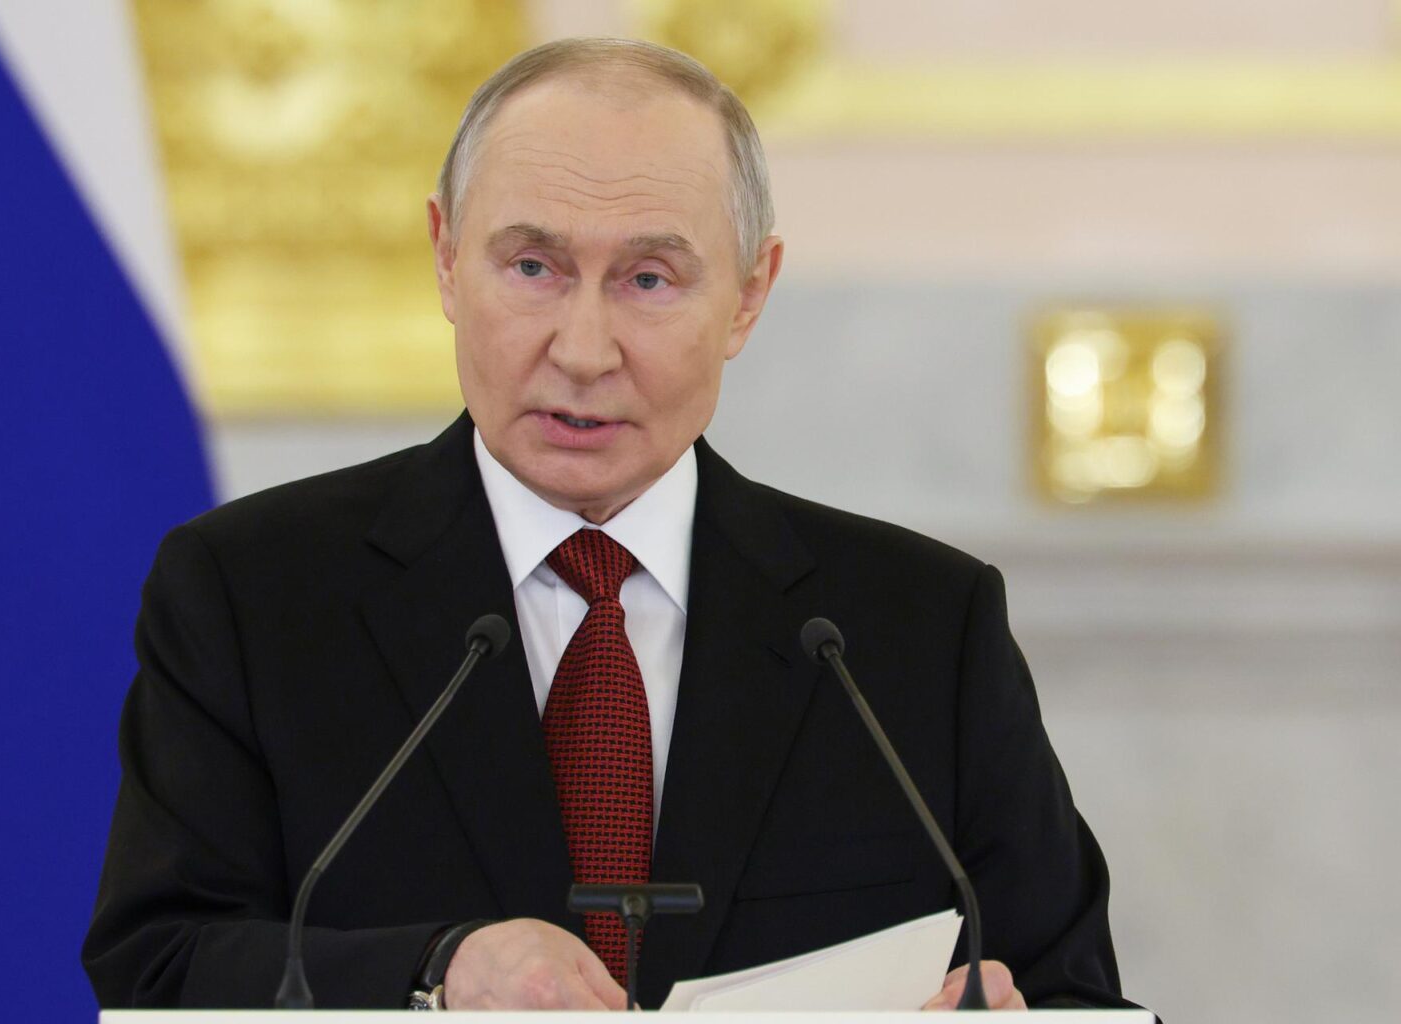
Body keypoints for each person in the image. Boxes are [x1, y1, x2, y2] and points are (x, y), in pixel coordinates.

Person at [84, 38, 1134, 1013]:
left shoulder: (915, 629)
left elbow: (1071, 987)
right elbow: (158, 969)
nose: (583, 349)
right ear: (447, 257)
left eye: (648, 279)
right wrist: (439, 969)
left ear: (748, 296)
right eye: (532, 267)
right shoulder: (251, 592)